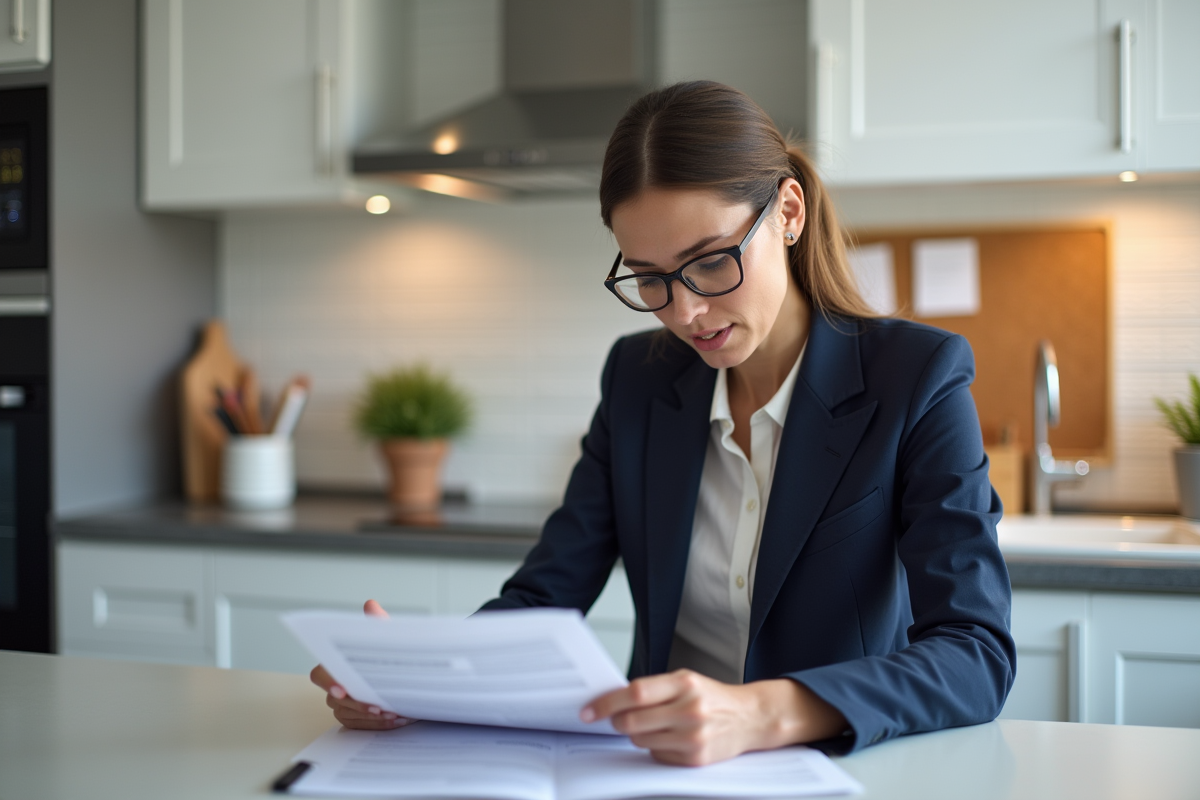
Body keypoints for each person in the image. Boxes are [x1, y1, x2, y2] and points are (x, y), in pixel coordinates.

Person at [311, 81, 1016, 765]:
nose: (683, 313)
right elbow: (546, 593)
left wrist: (762, 713)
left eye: (710, 263)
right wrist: (422, 682)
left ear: (790, 213)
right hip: (651, 770)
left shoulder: (916, 376)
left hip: (835, 770)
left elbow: (975, 653)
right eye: (650, 278)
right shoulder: (637, 380)